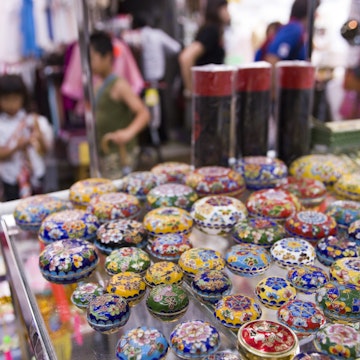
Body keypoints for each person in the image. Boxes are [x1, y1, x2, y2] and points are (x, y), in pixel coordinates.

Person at [89, 31, 150, 179]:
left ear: (107, 56)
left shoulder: (119, 85)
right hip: (107, 153)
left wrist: (128, 133)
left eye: (92, 58)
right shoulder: (98, 84)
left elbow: (144, 113)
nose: (90, 63)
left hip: (119, 155)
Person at [0, 74, 53, 201]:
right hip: (11, 178)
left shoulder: (34, 120)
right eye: (6, 99)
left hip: (35, 175)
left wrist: (38, 135)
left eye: (15, 99)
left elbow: (45, 150)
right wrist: (17, 146)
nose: (11, 104)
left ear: (23, 98)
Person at [178, 0, 231, 96]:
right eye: (225, 8)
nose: (228, 13)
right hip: (206, 94)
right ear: (217, 10)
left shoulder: (215, 30)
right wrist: (191, 91)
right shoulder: (211, 31)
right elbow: (186, 57)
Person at [264, 0, 320, 65]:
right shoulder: (294, 29)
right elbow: (272, 58)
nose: (317, 15)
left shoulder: (299, 30)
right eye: (315, 11)